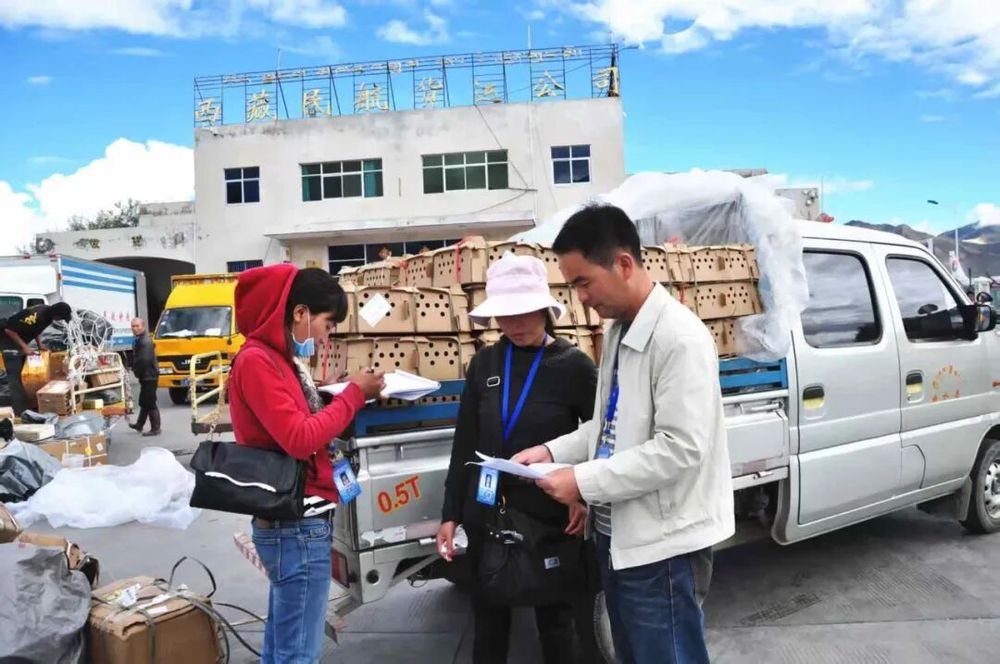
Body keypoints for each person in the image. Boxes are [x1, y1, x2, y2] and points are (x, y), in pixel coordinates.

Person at [513, 204, 735, 664]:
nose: (580, 298)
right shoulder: (618, 332)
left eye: (584, 282)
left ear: (624, 263)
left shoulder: (679, 338)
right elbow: (609, 424)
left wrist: (582, 481)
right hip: (619, 540)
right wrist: (551, 450)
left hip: (663, 550)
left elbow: (680, 449)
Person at [437, 254, 599, 664]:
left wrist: (583, 492)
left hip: (550, 513)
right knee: (488, 622)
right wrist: (450, 513)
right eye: (505, 315)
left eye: (524, 312)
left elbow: (599, 438)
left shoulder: (575, 366)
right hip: (487, 510)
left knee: (558, 624)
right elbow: (465, 443)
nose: (514, 323)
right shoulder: (485, 364)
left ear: (545, 309)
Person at [228, 265, 384, 663]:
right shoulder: (258, 361)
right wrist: (352, 397)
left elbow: (293, 420)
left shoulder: (279, 360)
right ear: (300, 313)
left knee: (284, 648)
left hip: (296, 524)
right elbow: (299, 438)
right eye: (327, 325)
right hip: (295, 526)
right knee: (297, 654)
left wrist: (328, 396)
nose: (326, 337)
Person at [0, 301, 73, 416]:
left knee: (24, 377)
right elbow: (9, 330)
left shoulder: (48, 317)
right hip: (9, 344)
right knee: (15, 379)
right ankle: (21, 412)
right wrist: (25, 347)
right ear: (57, 315)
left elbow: (36, 330)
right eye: (61, 318)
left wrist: (40, 345)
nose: (60, 320)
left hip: (20, 344)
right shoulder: (36, 315)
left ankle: (28, 406)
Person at [129, 318, 161, 436]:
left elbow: (144, 360)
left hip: (149, 375)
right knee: (145, 401)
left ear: (143, 326)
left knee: (150, 402)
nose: (135, 328)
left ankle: (156, 428)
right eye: (133, 326)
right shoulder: (140, 339)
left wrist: (136, 371)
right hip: (147, 375)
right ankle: (139, 424)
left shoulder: (145, 341)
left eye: (137, 326)